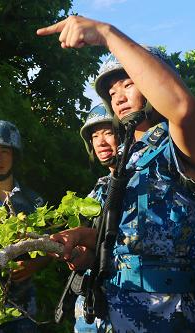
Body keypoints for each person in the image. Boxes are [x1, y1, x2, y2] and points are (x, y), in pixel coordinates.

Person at [38, 16, 195, 332]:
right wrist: (87, 242)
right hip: (111, 313)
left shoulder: (177, 148)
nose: (117, 96)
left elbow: (182, 108)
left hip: (166, 317)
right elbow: (129, 240)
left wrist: (107, 34)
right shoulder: (124, 166)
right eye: (110, 91)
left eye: (128, 83)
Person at [0, 120, 50, 332]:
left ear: (14, 155)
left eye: (5, 151)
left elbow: (52, 248)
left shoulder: (34, 202)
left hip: (21, 311)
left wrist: (34, 264)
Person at [74, 104, 117, 333]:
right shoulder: (99, 189)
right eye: (94, 136)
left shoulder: (143, 183)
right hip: (93, 309)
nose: (100, 142)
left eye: (108, 132)